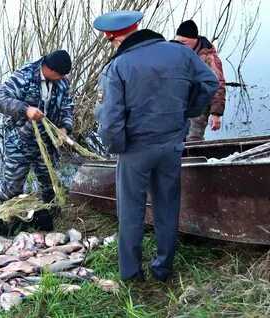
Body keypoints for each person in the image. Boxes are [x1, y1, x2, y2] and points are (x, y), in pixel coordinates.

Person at [93, 11, 218, 282]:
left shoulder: (119, 66)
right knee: (167, 205)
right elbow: (210, 83)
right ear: (138, 27)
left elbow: (111, 118)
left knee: (130, 211)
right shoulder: (181, 53)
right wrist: (186, 111)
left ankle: (131, 274)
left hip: (135, 149)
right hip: (171, 143)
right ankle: (163, 268)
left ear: (112, 37)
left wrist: (117, 147)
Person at [0, 50, 74, 204]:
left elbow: (67, 106)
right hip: (20, 141)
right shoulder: (24, 76)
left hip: (46, 143)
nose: (63, 79)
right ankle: (3, 218)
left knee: (50, 183)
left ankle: (49, 215)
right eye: (60, 75)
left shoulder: (62, 81)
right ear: (50, 70)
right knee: (13, 186)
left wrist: (64, 128)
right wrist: (26, 110)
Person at [175, 20, 226, 141]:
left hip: (200, 104)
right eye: (178, 41)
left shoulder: (209, 58)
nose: (179, 45)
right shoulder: (178, 52)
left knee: (193, 138)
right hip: (180, 104)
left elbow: (218, 84)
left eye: (184, 42)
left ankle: (195, 157)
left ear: (195, 40)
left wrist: (216, 113)